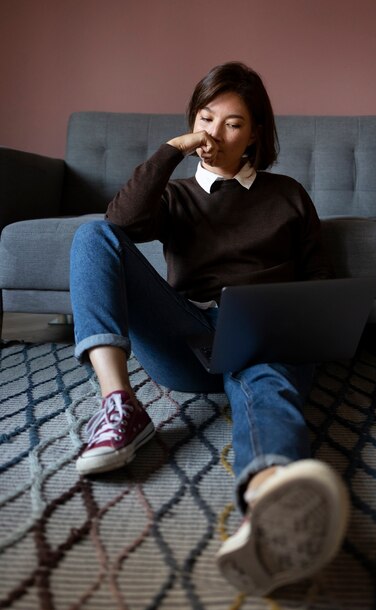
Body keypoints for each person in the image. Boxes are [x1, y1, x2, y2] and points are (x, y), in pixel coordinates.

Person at [70, 62, 349, 597]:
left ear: (256, 135)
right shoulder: (175, 196)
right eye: (205, 118)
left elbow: (319, 281)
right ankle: (119, 406)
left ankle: (268, 510)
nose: (214, 135)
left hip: (268, 332)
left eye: (232, 123)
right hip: (189, 334)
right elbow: (123, 224)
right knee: (92, 236)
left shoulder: (288, 194)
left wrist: (302, 322)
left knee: (263, 376)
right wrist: (170, 151)